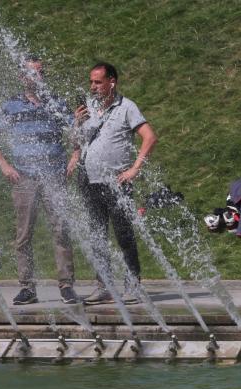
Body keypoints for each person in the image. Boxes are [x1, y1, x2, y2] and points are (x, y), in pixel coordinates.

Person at [0, 55, 78, 305]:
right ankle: (27, 287)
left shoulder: (56, 102)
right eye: (32, 73)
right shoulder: (12, 105)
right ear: (22, 77)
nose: (37, 77)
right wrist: (3, 164)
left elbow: (76, 130)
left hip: (54, 176)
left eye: (40, 72)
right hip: (25, 178)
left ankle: (66, 285)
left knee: (61, 229)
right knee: (24, 234)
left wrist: (75, 155)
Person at [68, 62, 157, 305]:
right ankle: (103, 286)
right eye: (91, 82)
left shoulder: (126, 107)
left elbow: (150, 137)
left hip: (116, 181)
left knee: (123, 234)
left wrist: (134, 169)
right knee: (97, 235)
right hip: (88, 180)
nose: (93, 87)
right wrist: (76, 123)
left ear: (112, 82)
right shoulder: (88, 108)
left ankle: (133, 286)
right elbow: (76, 143)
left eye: (98, 82)